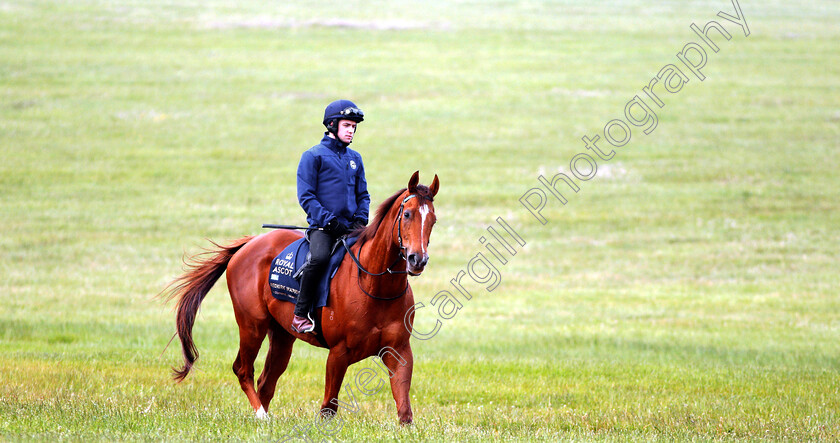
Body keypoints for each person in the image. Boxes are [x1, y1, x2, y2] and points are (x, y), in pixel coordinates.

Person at [292, 100, 370, 333]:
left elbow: (363, 194)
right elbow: (306, 196)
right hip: (323, 229)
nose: (351, 131)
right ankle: (300, 313)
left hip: (352, 228)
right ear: (332, 125)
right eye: (347, 125)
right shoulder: (312, 156)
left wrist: (361, 219)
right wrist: (329, 221)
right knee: (319, 258)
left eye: (354, 127)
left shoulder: (355, 158)